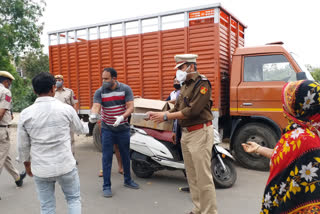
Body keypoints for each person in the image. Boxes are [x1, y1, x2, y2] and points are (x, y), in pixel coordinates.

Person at [148, 54, 217, 214]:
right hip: (186, 134)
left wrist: (166, 116)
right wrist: (157, 112)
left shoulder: (202, 84)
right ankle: (198, 208)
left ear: (191, 67)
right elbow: (177, 108)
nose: (179, 71)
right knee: (192, 176)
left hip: (200, 132)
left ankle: (209, 211)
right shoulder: (184, 85)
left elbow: (192, 111)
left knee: (203, 177)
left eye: (181, 67)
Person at [242, 80, 320, 213]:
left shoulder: (302, 137)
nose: (284, 107)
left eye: (287, 102)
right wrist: (258, 149)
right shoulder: (307, 132)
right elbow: (285, 156)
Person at [17, 72, 88, 214]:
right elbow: (81, 129)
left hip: (41, 169)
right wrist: (88, 122)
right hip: (66, 165)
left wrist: (27, 164)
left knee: (47, 207)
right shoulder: (66, 109)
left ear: (34, 90)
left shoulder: (25, 114)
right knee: (73, 199)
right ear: (53, 88)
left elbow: (22, 145)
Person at [89, 67, 139, 198]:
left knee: (125, 155)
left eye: (106, 79)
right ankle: (106, 186)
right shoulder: (100, 91)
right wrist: (94, 114)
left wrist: (122, 117)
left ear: (114, 78)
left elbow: (130, 107)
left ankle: (128, 180)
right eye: (102, 79)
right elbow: (96, 105)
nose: (103, 81)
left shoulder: (125, 89)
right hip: (107, 129)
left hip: (123, 128)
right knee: (106, 157)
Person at [0, 71, 26, 195]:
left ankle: (17, 177)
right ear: (6, 82)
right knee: (1, 157)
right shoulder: (5, 92)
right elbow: (1, 112)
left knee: (5, 156)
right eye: (9, 83)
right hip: (1, 129)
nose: (9, 85)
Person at [54, 74, 78, 158]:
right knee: (59, 139)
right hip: (57, 119)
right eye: (56, 80)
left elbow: (74, 104)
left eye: (59, 80)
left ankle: (72, 157)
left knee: (70, 139)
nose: (58, 82)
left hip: (68, 118)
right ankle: (62, 157)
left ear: (63, 81)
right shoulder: (52, 92)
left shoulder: (69, 91)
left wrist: (74, 116)